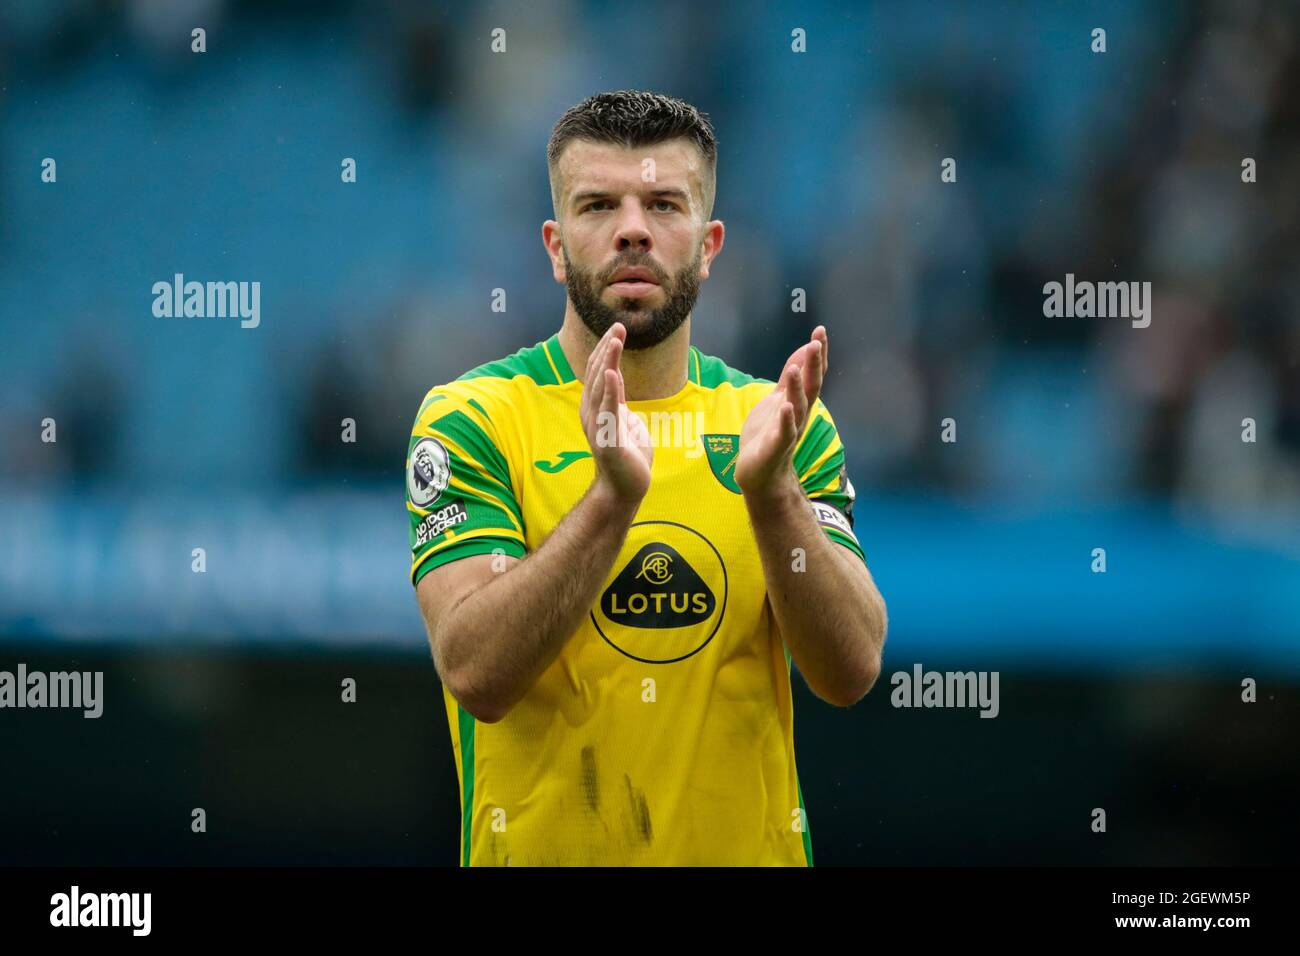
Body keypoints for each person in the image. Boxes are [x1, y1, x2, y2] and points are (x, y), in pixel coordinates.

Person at [407, 90, 887, 865]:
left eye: (665, 203)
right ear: (557, 246)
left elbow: (852, 669)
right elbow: (475, 671)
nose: (633, 227)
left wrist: (772, 495)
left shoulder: (780, 423)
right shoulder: (475, 420)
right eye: (599, 205)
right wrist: (610, 501)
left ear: (709, 244)